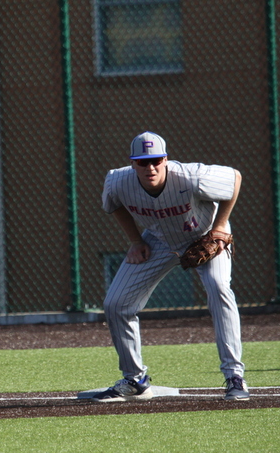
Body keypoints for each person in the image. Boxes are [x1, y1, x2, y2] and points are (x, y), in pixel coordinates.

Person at [92, 131, 248, 402]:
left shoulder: (190, 176)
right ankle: (135, 379)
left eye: (155, 160)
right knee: (116, 303)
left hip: (205, 234)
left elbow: (234, 178)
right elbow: (113, 205)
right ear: (133, 164)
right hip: (160, 240)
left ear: (166, 159)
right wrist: (135, 240)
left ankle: (234, 376)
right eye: (142, 162)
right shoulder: (118, 181)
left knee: (219, 287)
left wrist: (221, 225)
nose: (150, 167)